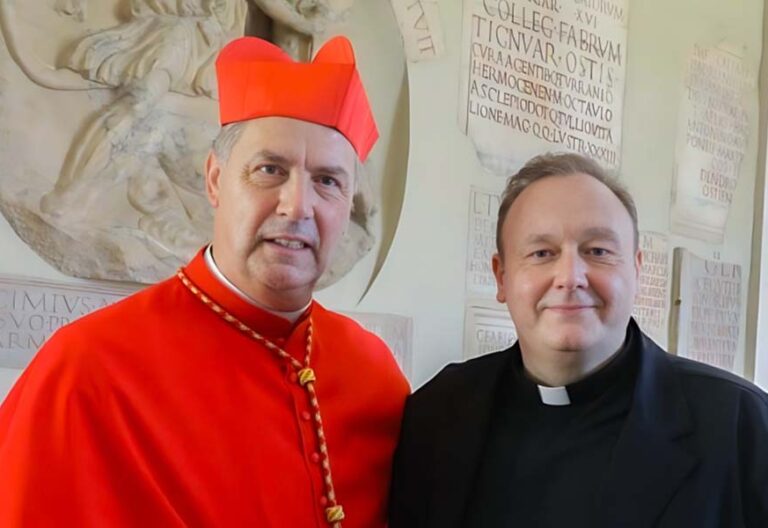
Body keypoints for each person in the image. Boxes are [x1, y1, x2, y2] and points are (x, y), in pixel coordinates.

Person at [0, 36, 409, 528]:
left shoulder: (376, 374)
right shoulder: (85, 370)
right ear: (215, 179)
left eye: (328, 181)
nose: (297, 205)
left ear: (347, 205)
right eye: (269, 170)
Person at [388, 153, 768, 527]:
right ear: (501, 277)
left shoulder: (741, 425)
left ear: (636, 270)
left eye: (597, 251)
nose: (570, 276)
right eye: (542, 253)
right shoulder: (437, 416)